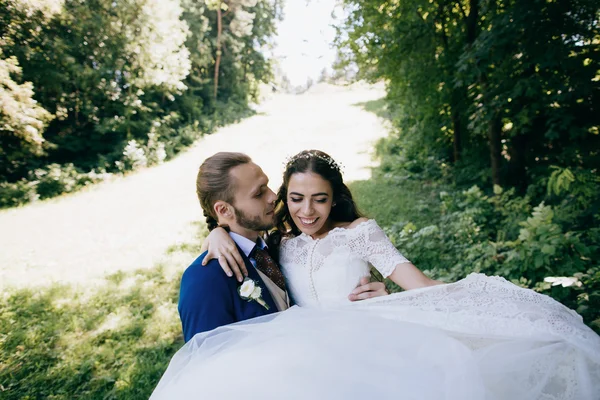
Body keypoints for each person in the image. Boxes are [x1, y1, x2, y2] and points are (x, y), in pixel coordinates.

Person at [152, 150, 600, 400]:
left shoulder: (311, 238)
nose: (286, 204)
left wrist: (389, 295)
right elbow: (206, 368)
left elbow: (417, 284)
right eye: (279, 195)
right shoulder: (241, 259)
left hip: (363, 347)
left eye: (319, 199)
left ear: (334, 199)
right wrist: (215, 235)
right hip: (297, 371)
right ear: (225, 211)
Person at [177, 152, 388, 342]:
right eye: (259, 193)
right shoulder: (204, 279)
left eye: (267, 185)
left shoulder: (276, 249)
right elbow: (205, 367)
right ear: (224, 210)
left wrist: (376, 298)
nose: (273, 196)